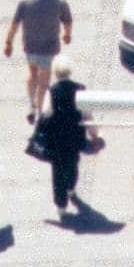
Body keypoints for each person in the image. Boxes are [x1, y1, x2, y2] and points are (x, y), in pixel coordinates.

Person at [34, 67, 98, 221]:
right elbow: (88, 115)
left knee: (57, 171)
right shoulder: (80, 89)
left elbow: (46, 113)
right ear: (70, 71)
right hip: (75, 135)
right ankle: (71, 187)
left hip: (57, 137)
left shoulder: (52, 91)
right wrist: (94, 135)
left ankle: (61, 206)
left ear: (56, 73)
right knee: (73, 162)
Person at [7, 0, 72, 115]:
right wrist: (67, 34)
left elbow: (15, 24)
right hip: (50, 49)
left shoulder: (25, 1)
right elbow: (67, 21)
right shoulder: (59, 1)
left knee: (32, 74)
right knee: (44, 83)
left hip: (30, 47)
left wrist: (8, 42)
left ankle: (31, 104)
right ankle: (41, 113)